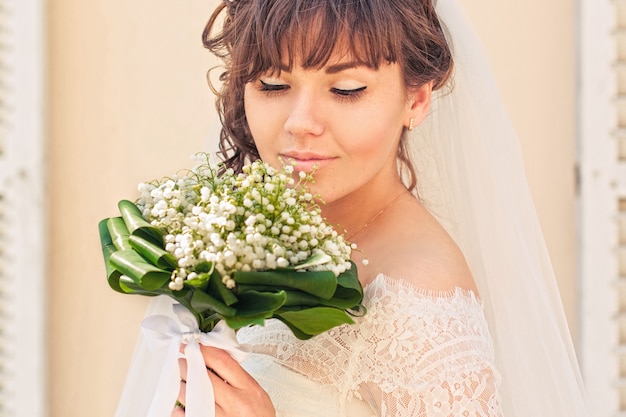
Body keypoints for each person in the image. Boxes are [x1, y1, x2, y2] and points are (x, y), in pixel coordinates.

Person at [115, 0, 589, 416]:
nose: (300, 124)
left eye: (345, 90)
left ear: (417, 98)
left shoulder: (420, 309)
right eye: (273, 84)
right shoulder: (248, 234)